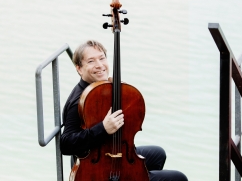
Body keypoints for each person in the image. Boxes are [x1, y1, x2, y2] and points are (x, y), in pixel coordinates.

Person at [60, 40, 188, 181]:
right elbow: (66, 144)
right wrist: (103, 128)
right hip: (99, 170)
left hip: (111, 152)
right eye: (91, 61)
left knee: (158, 153)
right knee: (178, 178)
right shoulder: (79, 100)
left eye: (102, 58)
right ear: (79, 69)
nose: (99, 65)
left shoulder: (101, 88)